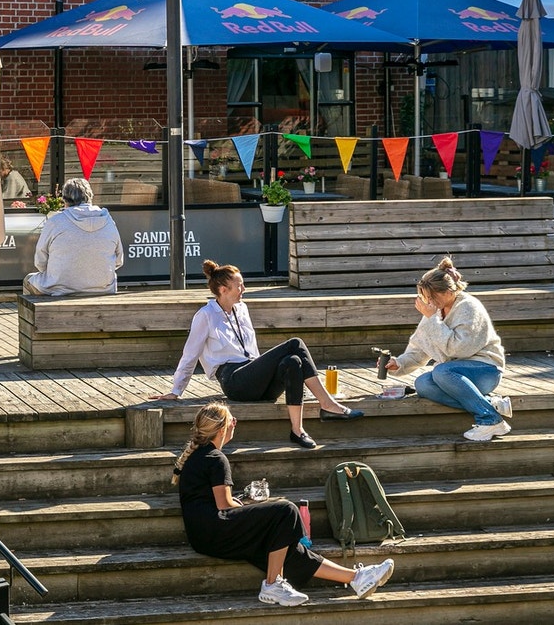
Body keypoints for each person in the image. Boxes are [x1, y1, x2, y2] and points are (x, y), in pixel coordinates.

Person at [172, 402, 395, 606]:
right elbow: (224, 505)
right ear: (223, 429)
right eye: (233, 420)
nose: (235, 424)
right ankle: (272, 584)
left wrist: (246, 508)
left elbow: (215, 501)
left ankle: (357, 578)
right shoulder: (216, 458)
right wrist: (249, 507)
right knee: (286, 510)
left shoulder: (198, 456)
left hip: (203, 535)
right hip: (214, 529)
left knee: (285, 546)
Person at [151, 260, 361, 448]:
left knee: (293, 361)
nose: (244, 289)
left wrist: (264, 369)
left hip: (256, 378)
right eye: (239, 285)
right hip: (234, 380)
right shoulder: (205, 315)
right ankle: (327, 403)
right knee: (295, 344)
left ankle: (298, 431)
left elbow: (252, 350)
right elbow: (190, 354)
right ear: (223, 289)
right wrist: (176, 390)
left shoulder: (241, 309)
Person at [384, 256, 511, 441]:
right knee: (423, 384)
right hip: (455, 375)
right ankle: (491, 404)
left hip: (485, 370)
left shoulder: (468, 307)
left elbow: (458, 350)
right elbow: (421, 346)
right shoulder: (435, 311)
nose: (428, 301)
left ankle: (489, 419)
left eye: (431, 297)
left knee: (441, 371)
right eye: (425, 297)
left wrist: (432, 320)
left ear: (448, 291)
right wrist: (399, 363)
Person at [22, 178, 123, 295]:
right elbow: (118, 260)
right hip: (103, 288)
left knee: (28, 280)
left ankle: (42, 313)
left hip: (60, 288)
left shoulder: (55, 222)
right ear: (90, 197)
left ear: (65, 200)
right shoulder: (108, 221)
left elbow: (40, 262)